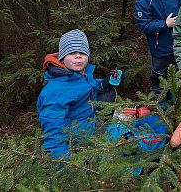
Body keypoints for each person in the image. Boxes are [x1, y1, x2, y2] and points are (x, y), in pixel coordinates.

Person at [36, 29, 119, 160]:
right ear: (62, 58)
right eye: (72, 53)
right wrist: (65, 165)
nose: (78, 56)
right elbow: (54, 133)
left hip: (91, 125)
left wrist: (104, 83)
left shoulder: (81, 75)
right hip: (78, 140)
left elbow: (87, 87)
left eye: (82, 53)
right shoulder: (56, 92)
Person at [134, 0, 181, 98]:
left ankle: (177, 101)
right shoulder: (143, 0)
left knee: (178, 74)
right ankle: (159, 101)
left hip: (179, 44)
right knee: (158, 74)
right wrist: (165, 24)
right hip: (159, 48)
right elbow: (144, 26)